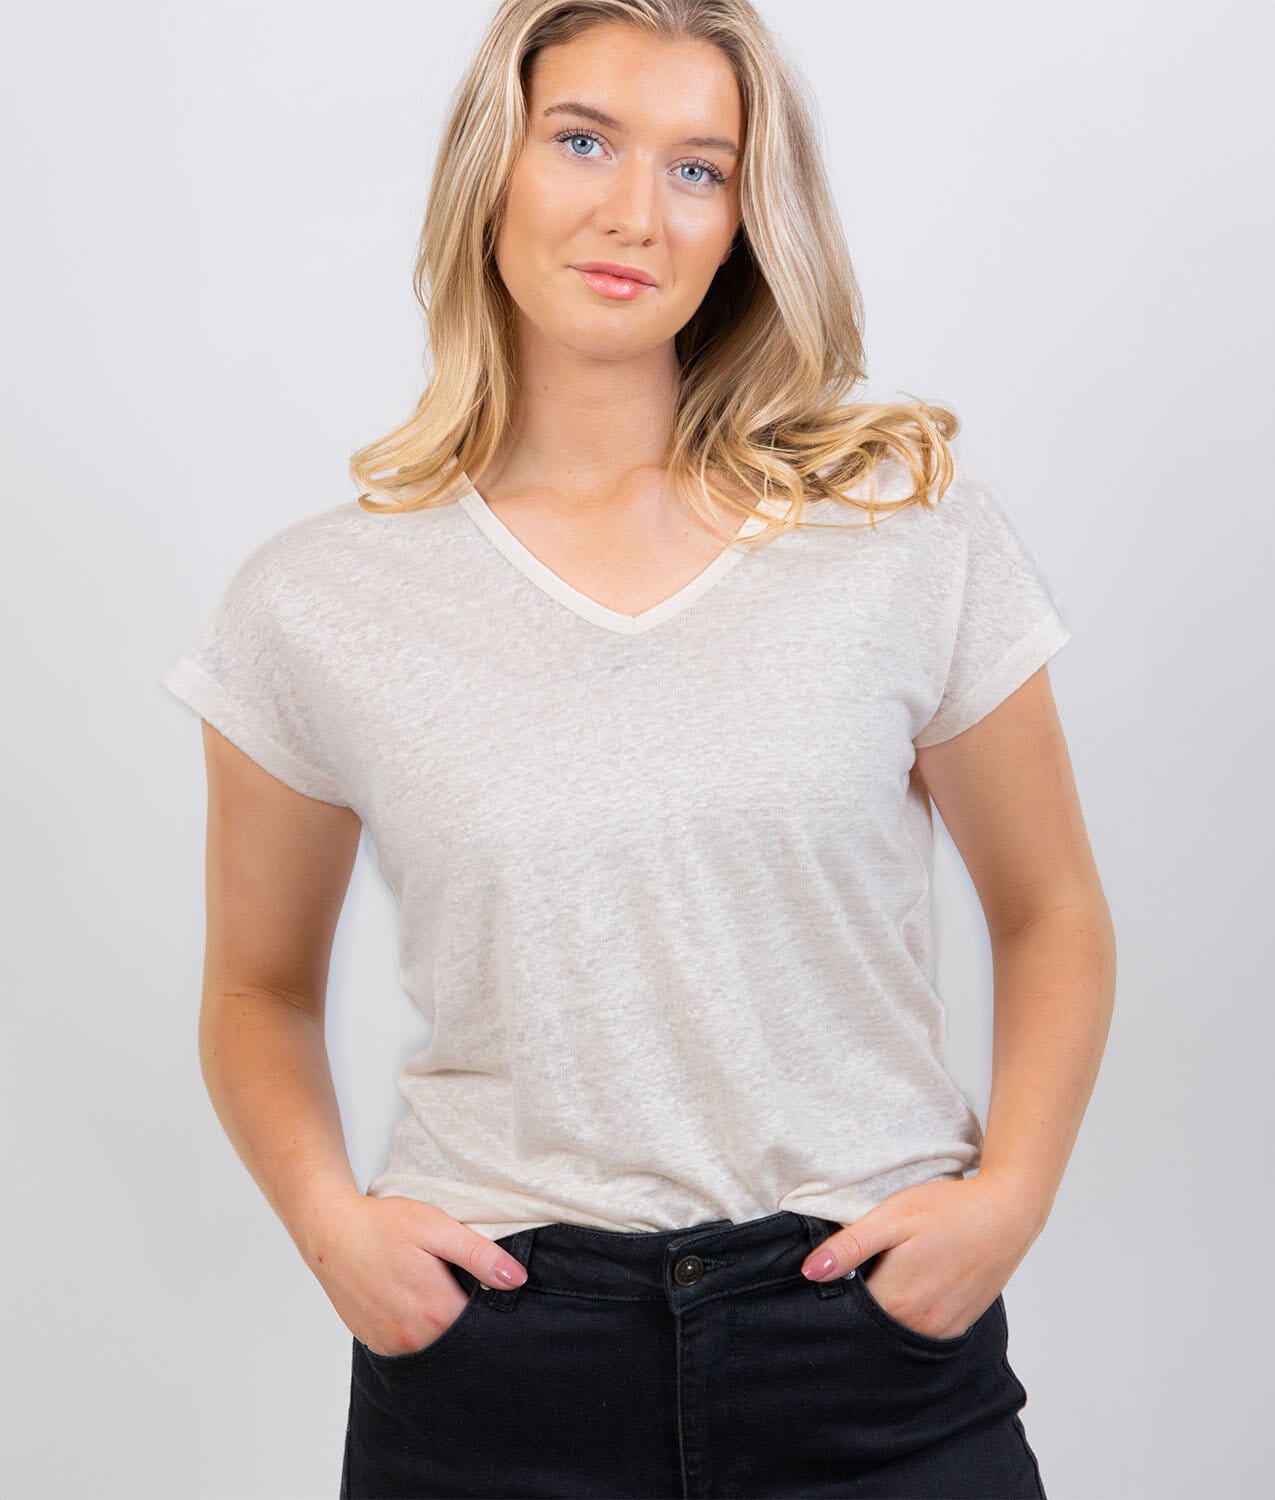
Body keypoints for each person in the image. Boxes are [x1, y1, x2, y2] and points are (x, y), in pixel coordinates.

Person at [160, 1, 1116, 1496]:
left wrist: (1013, 1199)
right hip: (494, 1361)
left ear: (744, 220)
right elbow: (256, 991)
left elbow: (1051, 909)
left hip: (869, 1348)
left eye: (697, 168)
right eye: (583, 140)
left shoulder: (900, 530)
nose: (635, 214)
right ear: (492, 168)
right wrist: (332, 1230)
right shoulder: (319, 601)